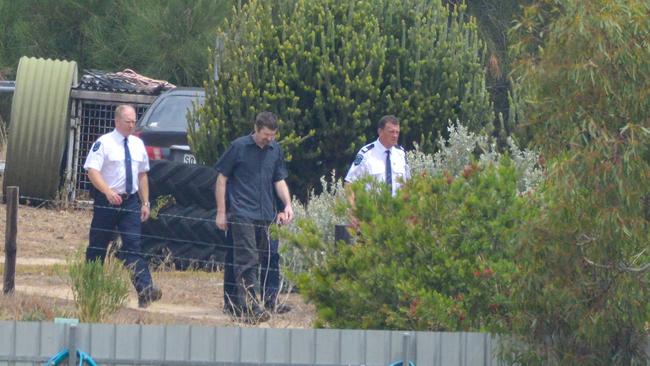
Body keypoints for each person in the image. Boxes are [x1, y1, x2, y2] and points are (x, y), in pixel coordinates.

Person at [215, 111, 294, 323]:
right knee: (247, 259)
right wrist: (222, 212)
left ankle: (263, 300)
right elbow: (221, 179)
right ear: (256, 129)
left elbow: (279, 179)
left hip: (266, 213)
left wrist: (287, 204)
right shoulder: (238, 147)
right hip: (242, 212)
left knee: (269, 257)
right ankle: (250, 306)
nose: (269, 139)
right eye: (266, 134)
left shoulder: (275, 150)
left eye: (273, 135)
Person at [83, 104, 162, 308]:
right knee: (98, 246)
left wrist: (145, 202)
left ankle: (145, 290)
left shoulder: (137, 144)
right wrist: (107, 191)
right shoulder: (104, 143)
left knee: (133, 246)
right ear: (117, 121)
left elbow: (142, 174)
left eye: (134, 121)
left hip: (130, 202)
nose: (131, 125)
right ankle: (90, 289)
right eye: (128, 121)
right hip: (107, 201)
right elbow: (92, 171)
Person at [345, 115, 410, 196]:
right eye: (391, 132)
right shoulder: (366, 153)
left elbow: (407, 184)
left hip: (398, 207)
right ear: (380, 132)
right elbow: (350, 183)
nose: (395, 136)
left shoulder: (401, 153)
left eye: (397, 132)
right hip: (373, 207)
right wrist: (353, 208)